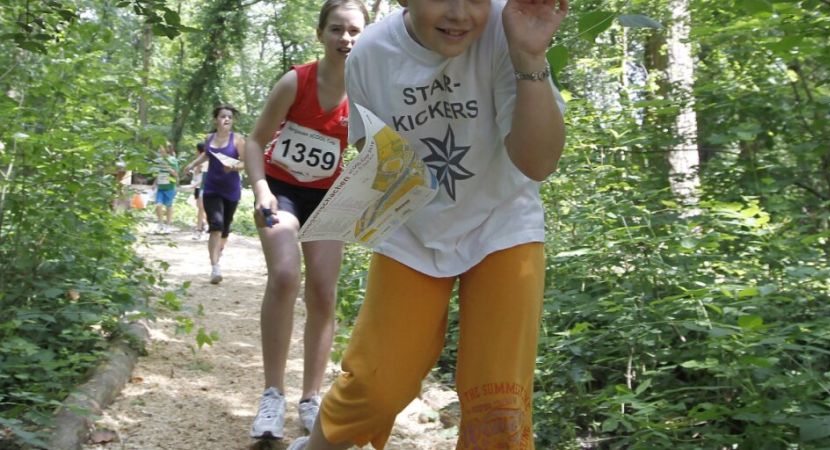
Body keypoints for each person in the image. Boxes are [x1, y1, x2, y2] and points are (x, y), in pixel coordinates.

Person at [287, 0, 568, 448]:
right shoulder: (371, 54)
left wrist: (530, 58)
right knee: (377, 385)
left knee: (499, 402)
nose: (459, 13)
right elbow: (374, 153)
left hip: (503, 223)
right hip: (412, 229)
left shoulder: (508, 30)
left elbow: (538, 163)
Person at [243, 0, 370, 442]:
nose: (346, 39)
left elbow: (369, 153)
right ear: (321, 34)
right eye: (336, 29)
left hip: (329, 197)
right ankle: (272, 394)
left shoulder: (366, 91)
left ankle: (311, 398)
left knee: (323, 289)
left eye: (354, 31)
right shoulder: (295, 81)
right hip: (280, 190)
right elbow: (255, 141)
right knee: (282, 275)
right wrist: (260, 190)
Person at [183, 104, 246, 284]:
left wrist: (233, 166)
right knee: (216, 225)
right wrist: (192, 164)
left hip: (231, 190)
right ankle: (215, 268)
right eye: (223, 116)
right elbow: (207, 155)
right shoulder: (209, 138)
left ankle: (219, 251)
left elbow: (245, 163)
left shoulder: (238, 140)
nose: (226, 119)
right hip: (211, 188)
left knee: (225, 229)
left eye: (230, 117)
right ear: (215, 120)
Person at [153, 142, 179, 234]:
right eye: (160, 149)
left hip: (170, 187)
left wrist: (168, 168)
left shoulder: (172, 160)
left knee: (168, 206)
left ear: (167, 149)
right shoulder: (159, 160)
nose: (160, 150)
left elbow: (176, 174)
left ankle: (168, 225)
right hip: (160, 187)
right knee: (158, 205)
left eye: (162, 148)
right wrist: (154, 183)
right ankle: (160, 223)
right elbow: (158, 173)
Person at [191, 142, 209, 240]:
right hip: (202, 185)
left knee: (203, 208)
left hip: (209, 185)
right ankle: (200, 229)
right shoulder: (203, 157)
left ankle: (205, 227)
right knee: (201, 207)